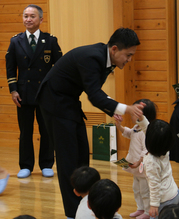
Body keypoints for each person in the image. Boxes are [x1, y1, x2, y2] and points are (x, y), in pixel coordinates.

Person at [36, 27, 143, 218]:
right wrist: (125, 108)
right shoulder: (92, 58)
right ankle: (72, 214)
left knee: (82, 156)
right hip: (54, 103)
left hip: (69, 102)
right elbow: (94, 95)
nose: (129, 60)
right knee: (68, 160)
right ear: (115, 49)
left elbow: (95, 92)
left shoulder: (105, 57)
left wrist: (113, 109)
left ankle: (86, 205)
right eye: (128, 55)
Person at [5, 4, 62, 178]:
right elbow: (10, 68)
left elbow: (59, 67)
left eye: (32, 16)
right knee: (25, 131)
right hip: (23, 93)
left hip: (44, 93)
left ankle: (46, 164)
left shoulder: (50, 40)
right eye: (25, 16)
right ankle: (26, 166)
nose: (28, 19)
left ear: (41, 19)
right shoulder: (16, 41)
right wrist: (13, 90)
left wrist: (54, 90)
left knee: (46, 130)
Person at [114, 99, 157, 219]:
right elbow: (129, 133)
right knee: (136, 189)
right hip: (135, 167)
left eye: (133, 113)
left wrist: (139, 162)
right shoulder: (136, 127)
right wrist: (119, 126)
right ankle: (141, 208)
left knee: (144, 191)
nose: (130, 115)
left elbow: (146, 149)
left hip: (142, 167)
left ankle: (148, 212)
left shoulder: (145, 132)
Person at [142, 119, 179, 219]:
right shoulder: (165, 149)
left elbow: (154, 184)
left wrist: (154, 204)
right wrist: (141, 118)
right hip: (175, 193)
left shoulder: (151, 161)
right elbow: (149, 131)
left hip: (164, 201)